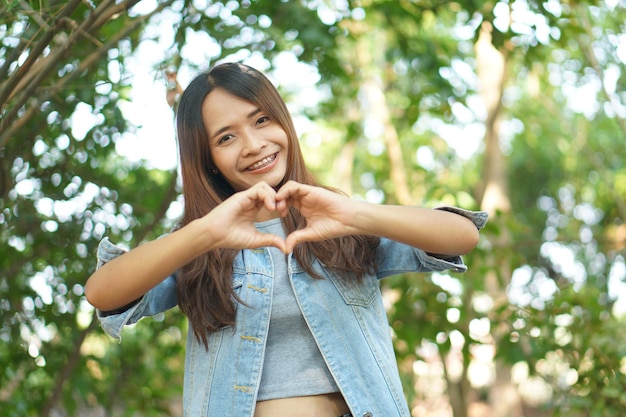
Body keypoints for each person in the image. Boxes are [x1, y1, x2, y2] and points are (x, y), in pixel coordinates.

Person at [85, 62, 488, 417]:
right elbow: (103, 293)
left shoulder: (338, 224)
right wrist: (207, 230)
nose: (254, 144)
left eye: (261, 120)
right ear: (206, 158)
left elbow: (460, 236)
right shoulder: (200, 245)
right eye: (226, 138)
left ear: (283, 121)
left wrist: (353, 214)